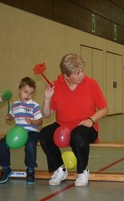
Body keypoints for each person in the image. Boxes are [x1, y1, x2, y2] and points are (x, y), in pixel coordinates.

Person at [38, 53, 108, 187]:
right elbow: (46, 115)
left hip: (86, 126)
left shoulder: (91, 84)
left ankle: (82, 171)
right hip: (63, 125)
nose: (82, 75)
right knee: (44, 135)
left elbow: (104, 109)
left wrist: (91, 119)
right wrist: (47, 98)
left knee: (78, 135)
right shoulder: (56, 85)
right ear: (66, 76)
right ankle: (59, 169)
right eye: (77, 73)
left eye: (82, 70)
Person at [0, 77, 43, 185]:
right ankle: (5, 168)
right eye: (25, 92)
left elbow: (40, 121)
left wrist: (32, 122)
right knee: (3, 143)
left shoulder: (34, 105)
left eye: (31, 93)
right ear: (19, 90)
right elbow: (12, 117)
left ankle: (30, 170)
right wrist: (9, 117)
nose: (28, 95)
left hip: (31, 131)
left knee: (30, 144)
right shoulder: (15, 105)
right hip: (18, 132)